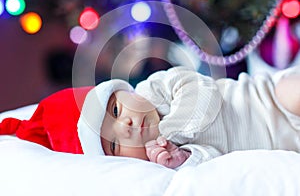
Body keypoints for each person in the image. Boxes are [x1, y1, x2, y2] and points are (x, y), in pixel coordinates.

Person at [1, 66, 300, 169]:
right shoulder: (159, 160)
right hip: (284, 147)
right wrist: (183, 159)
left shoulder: (156, 89)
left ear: (121, 90)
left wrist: (171, 132)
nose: (127, 126)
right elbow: (213, 162)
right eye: (115, 145)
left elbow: (203, 92)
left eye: (116, 111)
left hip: (269, 102)